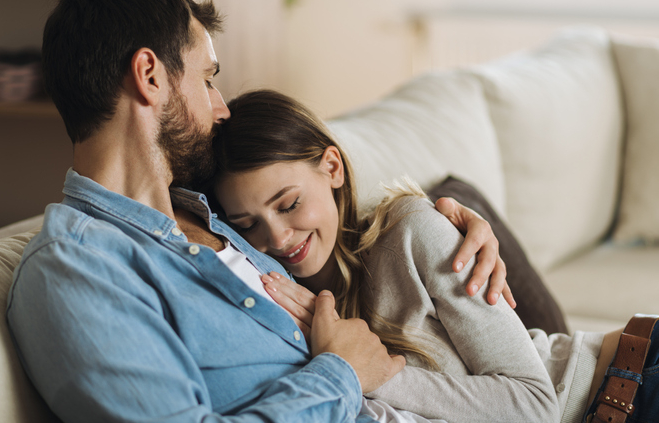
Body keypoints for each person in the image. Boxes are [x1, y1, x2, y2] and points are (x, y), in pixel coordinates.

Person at [6, 1, 514, 422]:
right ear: (150, 77)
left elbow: (324, 209)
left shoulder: (212, 211)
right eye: (207, 80)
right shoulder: (76, 269)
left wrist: (442, 219)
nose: (221, 107)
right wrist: (342, 372)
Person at [209, 89, 659, 423]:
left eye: (289, 204)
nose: (278, 237)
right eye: (247, 224)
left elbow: (534, 406)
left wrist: (376, 373)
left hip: (633, 379)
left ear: (332, 167)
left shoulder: (408, 231)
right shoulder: (281, 301)